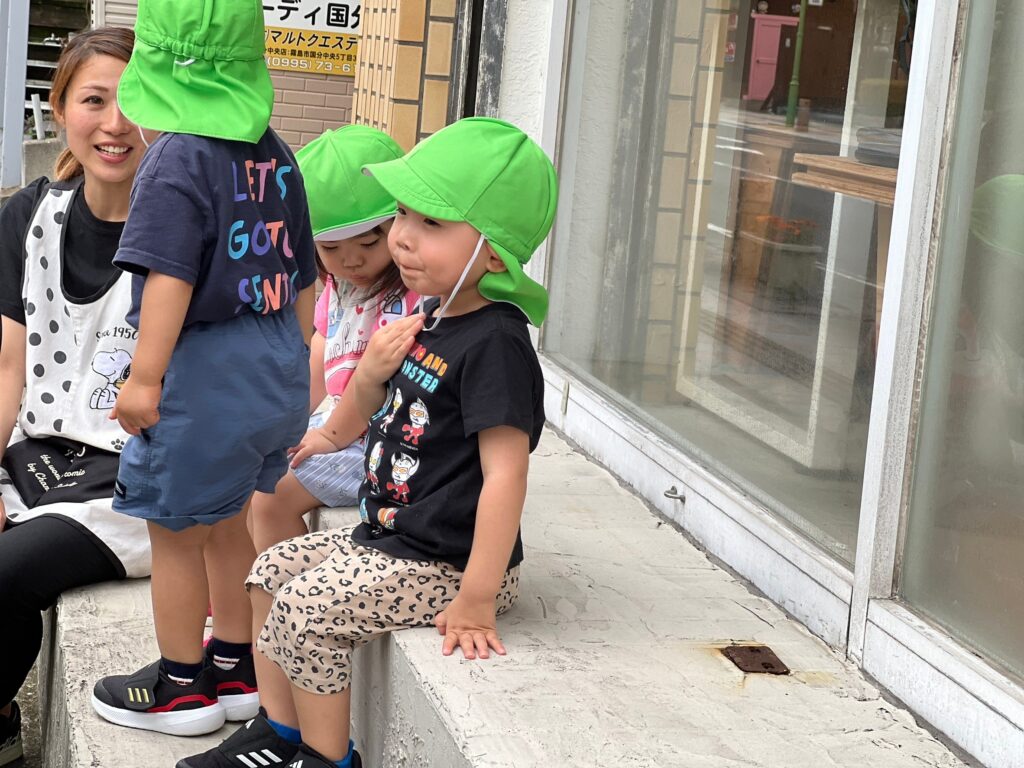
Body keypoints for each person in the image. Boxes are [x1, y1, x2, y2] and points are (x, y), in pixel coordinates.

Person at [178, 117, 556, 768]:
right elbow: (369, 405)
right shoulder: (432, 314)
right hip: (390, 537)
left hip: (444, 562)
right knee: (267, 574)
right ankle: (279, 733)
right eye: (402, 214)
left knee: (307, 611)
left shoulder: (496, 343)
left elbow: (506, 475)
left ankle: (326, 759)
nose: (403, 236)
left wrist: (476, 597)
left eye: (431, 223)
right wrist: (350, 403)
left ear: (493, 254)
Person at [88, 0, 317, 737]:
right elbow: (304, 275)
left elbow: (170, 277)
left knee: (175, 534)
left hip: (204, 373)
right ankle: (236, 668)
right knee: (227, 520)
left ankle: (182, 687)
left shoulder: (177, 158)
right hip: (274, 365)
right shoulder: (275, 154)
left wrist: (143, 378)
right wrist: (297, 364)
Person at [0, 27, 150, 766]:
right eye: (95, 100)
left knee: (6, 575)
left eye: (137, 102)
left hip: (132, 480)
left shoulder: (184, 229)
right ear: (60, 109)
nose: (116, 123)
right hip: (34, 455)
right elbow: (6, 366)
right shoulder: (28, 215)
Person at [250, 125, 418, 555]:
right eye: (330, 248)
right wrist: (289, 419)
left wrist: (329, 435)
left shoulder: (414, 295)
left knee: (272, 493)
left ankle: (280, 589)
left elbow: (376, 383)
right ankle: (249, 579)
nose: (351, 260)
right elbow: (321, 356)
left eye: (368, 241)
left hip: (388, 441)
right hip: (342, 425)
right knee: (252, 462)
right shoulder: (337, 287)